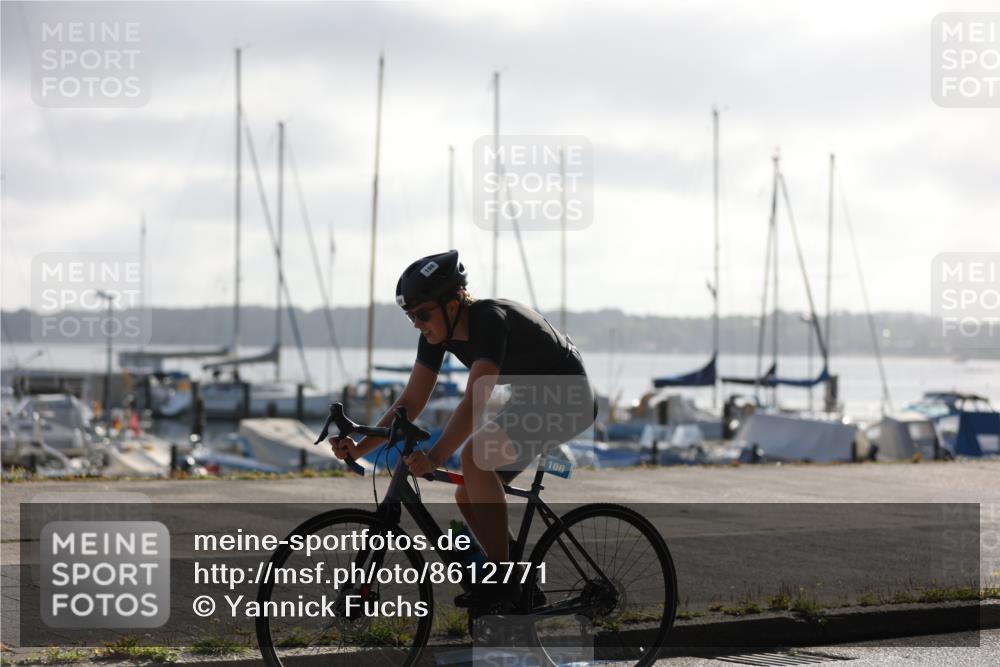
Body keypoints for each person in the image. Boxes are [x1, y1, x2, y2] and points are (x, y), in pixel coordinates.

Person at [330, 250, 595, 608]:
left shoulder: (489, 320)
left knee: (476, 456)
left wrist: (436, 456)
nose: (418, 324)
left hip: (569, 399)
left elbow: (475, 401)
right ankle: (518, 574)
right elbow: (411, 398)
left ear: (453, 304)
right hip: (533, 398)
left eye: (423, 314)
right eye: (411, 317)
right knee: (466, 493)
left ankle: (504, 582)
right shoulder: (438, 334)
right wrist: (361, 447)